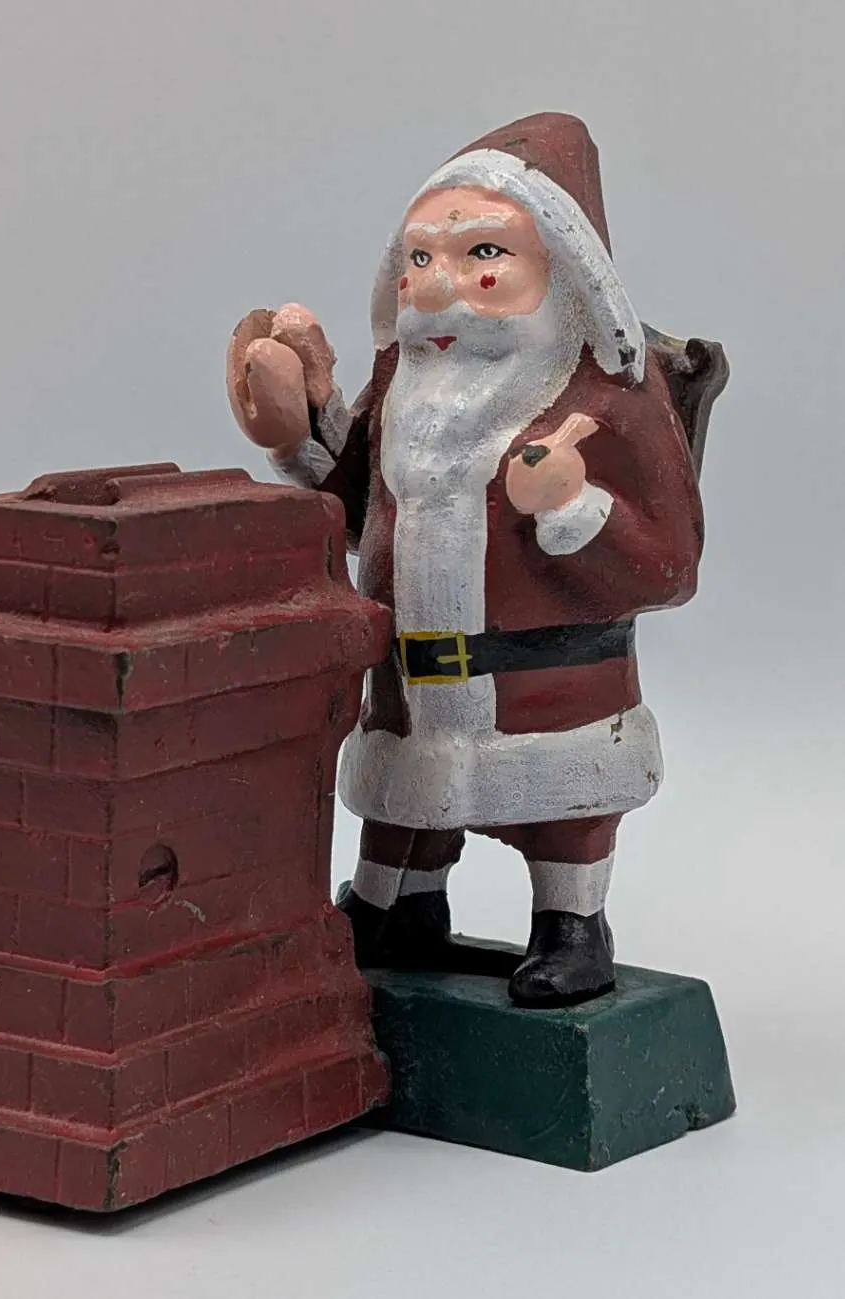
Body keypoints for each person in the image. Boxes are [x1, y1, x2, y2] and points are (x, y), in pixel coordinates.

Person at [226, 112, 723, 1006]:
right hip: (410, 684)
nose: (438, 284)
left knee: (563, 813)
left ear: (563, 274)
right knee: (405, 799)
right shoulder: (404, 390)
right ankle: (395, 907)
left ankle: (571, 924)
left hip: (550, 686)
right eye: (419, 258)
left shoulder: (611, 403)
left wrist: (572, 505)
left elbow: (669, 564)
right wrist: (299, 432)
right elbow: (360, 511)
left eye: (481, 253)